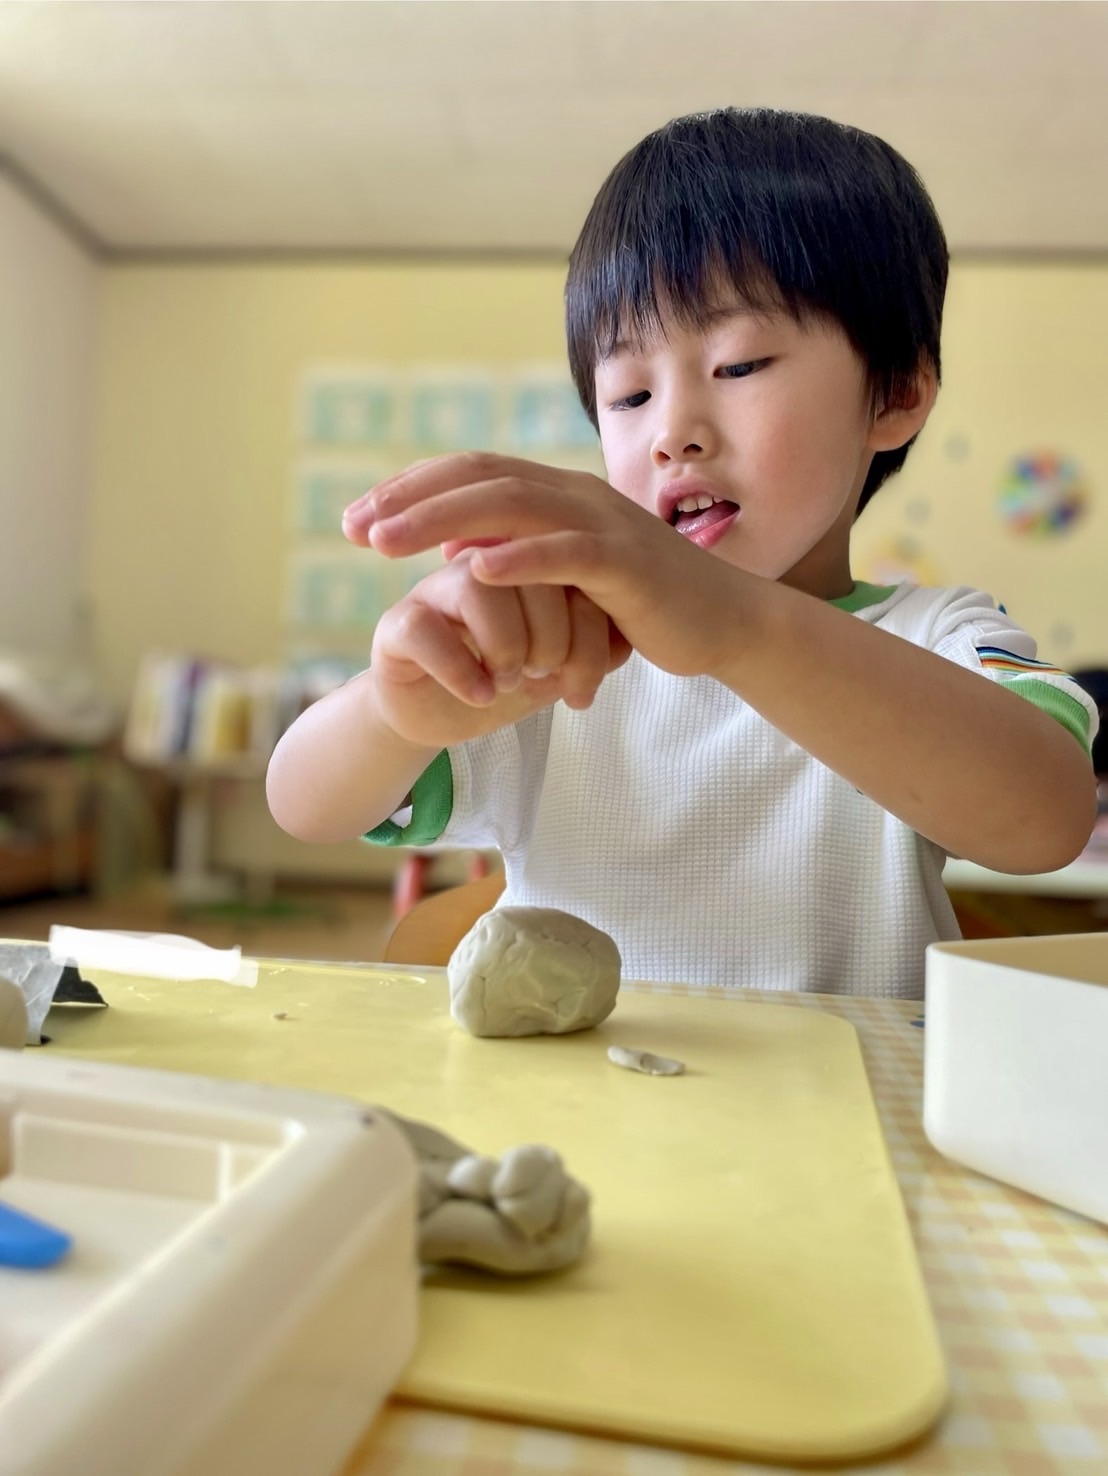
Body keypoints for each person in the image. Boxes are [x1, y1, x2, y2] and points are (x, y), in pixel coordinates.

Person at [267, 108, 1098, 997]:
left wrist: (737, 627)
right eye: (627, 395)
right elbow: (302, 804)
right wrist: (394, 714)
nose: (672, 433)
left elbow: (1044, 820)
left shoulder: (936, 636)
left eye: (739, 366)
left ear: (894, 391)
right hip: (588, 1124)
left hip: (836, 1126)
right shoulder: (567, 642)